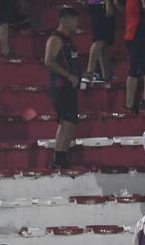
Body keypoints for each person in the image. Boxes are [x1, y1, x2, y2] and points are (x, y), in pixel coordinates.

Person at [44, 8, 81, 170]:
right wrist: (68, 75)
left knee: (71, 121)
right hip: (60, 86)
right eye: (75, 20)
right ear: (65, 19)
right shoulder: (56, 38)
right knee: (66, 122)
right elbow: (49, 60)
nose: (77, 24)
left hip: (69, 86)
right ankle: (57, 158)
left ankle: (62, 157)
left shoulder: (68, 40)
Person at [86, 0, 119, 81]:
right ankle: (89, 72)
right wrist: (108, 4)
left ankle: (105, 75)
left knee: (105, 43)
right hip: (99, 5)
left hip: (100, 5)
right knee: (99, 39)